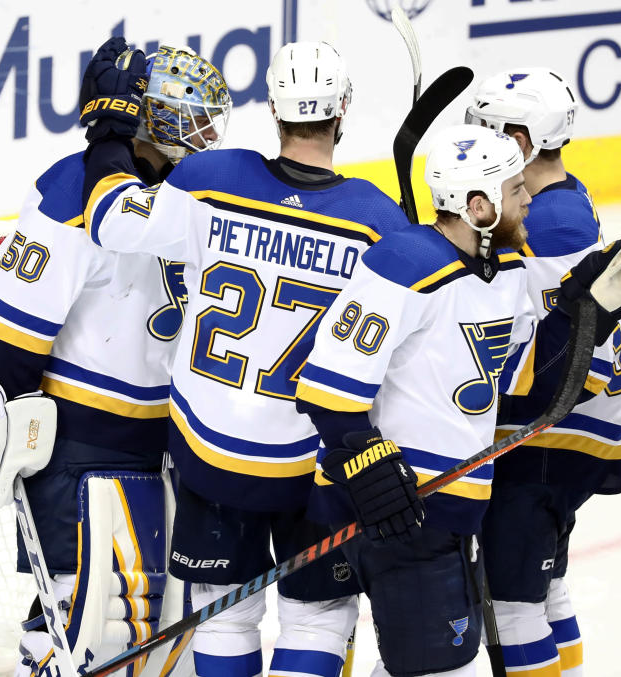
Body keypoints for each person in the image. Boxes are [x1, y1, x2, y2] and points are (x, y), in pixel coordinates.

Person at [80, 39, 411, 677]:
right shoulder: (377, 220)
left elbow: (113, 220)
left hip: (211, 453)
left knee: (223, 613)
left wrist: (112, 130)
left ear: (272, 108)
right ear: (342, 110)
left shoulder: (213, 178)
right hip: (310, 464)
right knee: (318, 615)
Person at [294, 123, 621, 677]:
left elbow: (523, 393)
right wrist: (366, 465)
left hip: (446, 510)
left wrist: (583, 318)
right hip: (394, 512)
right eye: (516, 191)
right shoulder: (403, 264)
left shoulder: (507, 271)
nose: (530, 198)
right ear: (480, 206)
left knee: (422, 665)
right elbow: (327, 384)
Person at [0, 39, 231, 675]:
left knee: (149, 630)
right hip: (81, 448)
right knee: (84, 623)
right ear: (150, 116)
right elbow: (6, 332)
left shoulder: (187, 194)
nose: (205, 133)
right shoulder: (71, 186)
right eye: (190, 116)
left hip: (165, 446)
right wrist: (18, 441)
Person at [464, 67, 621, 676]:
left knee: (514, 605)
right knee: (545, 587)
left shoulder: (547, 222)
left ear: (519, 140)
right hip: (582, 420)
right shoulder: (562, 195)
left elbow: (546, 348)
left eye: (486, 131)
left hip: (553, 432)